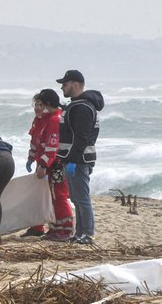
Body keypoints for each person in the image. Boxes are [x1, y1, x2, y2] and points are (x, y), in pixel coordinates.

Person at [56, 70, 104, 245]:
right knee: (76, 198)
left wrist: (73, 161)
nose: (62, 87)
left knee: (82, 199)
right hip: (75, 159)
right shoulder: (76, 105)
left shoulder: (82, 107)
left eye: (65, 84)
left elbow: (81, 137)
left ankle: (87, 234)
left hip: (79, 160)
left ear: (74, 84)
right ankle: (79, 233)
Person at [20, 89, 74, 241]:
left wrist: (44, 164)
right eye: (35, 104)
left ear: (47, 104)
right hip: (43, 162)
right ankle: (41, 227)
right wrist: (32, 157)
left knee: (58, 195)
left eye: (40, 104)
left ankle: (65, 228)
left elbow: (52, 145)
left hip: (55, 164)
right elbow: (36, 140)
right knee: (43, 195)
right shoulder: (41, 119)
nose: (37, 108)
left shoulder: (54, 119)